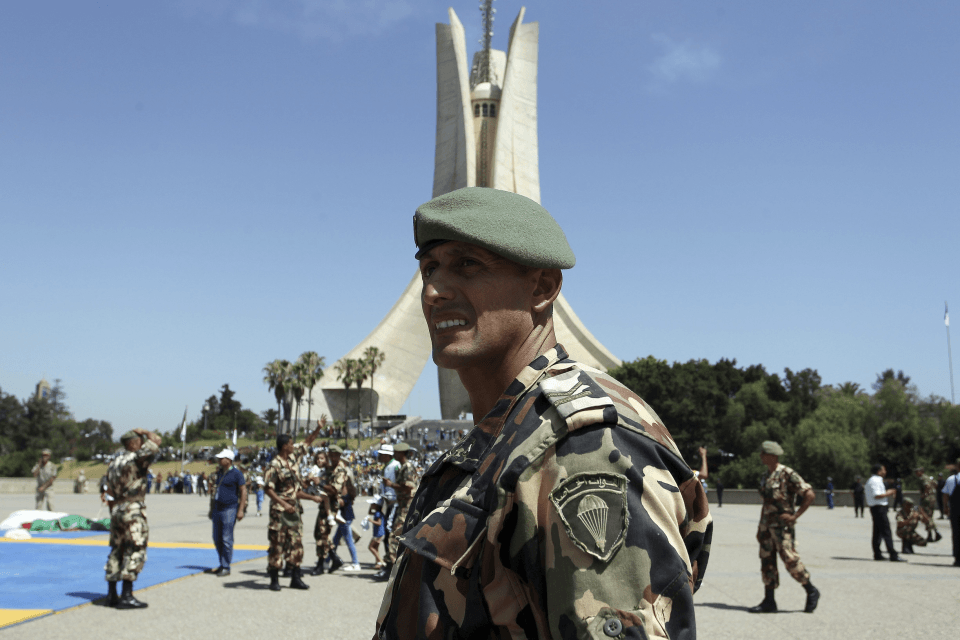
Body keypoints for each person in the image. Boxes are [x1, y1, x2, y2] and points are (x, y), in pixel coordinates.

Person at [374, 187, 712, 639]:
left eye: (468, 264)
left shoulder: (581, 448)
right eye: (429, 268)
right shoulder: (508, 433)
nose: (434, 291)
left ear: (543, 287)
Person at [748, 441, 819, 614]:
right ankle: (769, 601)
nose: (761, 456)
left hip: (782, 527)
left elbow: (809, 494)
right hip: (767, 527)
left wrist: (795, 516)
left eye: (763, 454)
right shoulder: (766, 476)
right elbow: (766, 504)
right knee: (767, 562)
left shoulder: (787, 474)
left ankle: (811, 590)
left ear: (772, 455)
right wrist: (760, 527)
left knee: (790, 559)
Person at [263, 417, 325, 591]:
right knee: (277, 544)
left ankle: (295, 577)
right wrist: (284, 504)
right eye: (291, 443)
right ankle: (274, 579)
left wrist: (318, 429)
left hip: (294, 509)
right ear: (284, 446)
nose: (294, 446)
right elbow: (268, 489)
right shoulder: (274, 465)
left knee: (296, 543)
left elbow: (307, 442)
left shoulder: (293, 459)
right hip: (279, 511)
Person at [104, 428, 161, 609]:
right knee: (135, 548)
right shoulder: (136, 458)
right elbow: (157, 441)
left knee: (116, 550)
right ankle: (127, 595)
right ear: (133, 443)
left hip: (117, 508)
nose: (143, 442)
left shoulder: (114, 462)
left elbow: (108, 490)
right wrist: (145, 431)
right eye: (140, 440)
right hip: (132, 508)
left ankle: (112, 594)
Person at [374, 442, 418, 580]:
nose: (395, 455)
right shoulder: (403, 467)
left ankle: (390, 569)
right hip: (402, 505)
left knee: (394, 536)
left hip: (407, 506)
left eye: (397, 453)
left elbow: (408, 488)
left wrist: (391, 484)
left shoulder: (407, 467)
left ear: (401, 454)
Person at [208, 449, 247, 576]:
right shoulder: (219, 473)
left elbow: (243, 491)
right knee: (216, 537)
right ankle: (221, 563)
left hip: (230, 508)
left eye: (222, 458)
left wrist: (241, 510)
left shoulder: (237, 473)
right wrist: (211, 509)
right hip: (217, 508)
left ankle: (226, 566)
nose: (219, 460)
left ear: (228, 460)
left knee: (226, 538)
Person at [326, 444, 361, 572]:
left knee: (348, 539)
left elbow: (345, 496)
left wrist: (340, 499)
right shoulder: (343, 474)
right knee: (335, 539)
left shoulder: (344, 475)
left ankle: (356, 563)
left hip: (344, 514)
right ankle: (327, 560)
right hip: (344, 513)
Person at [865, 463, 904, 562]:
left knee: (877, 532)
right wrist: (890, 492)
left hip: (876, 508)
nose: (885, 472)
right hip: (879, 508)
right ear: (879, 471)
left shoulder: (873, 480)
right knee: (886, 531)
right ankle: (893, 554)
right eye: (883, 470)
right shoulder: (875, 481)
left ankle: (877, 553)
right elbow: (877, 495)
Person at [377, 443, 398, 573]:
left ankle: (391, 564)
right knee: (386, 532)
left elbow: (399, 484)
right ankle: (388, 562)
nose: (379, 456)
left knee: (390, 533)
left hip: (393, 502)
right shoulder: (386, 466)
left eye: (381, 454)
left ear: (387, 455)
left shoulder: (395, 466)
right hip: (386, 502)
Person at [913, 467, 942, 543]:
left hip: (927, 499)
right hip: (931, 498)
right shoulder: (929, 477)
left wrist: (924, 494)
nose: (916, 473)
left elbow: (927, 486)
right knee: (928, 516)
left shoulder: (923, 478)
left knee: (925, 516)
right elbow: (935, 484)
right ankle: (930, 535)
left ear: (921, 472)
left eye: (917, 471)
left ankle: (936, 532)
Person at [943, 460, 960, 567]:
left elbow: (945, 495)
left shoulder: (951, 479)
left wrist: (945, 508)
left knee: (956, 534)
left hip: (955, 510)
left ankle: (958, 558)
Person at [367, 497, 385, 569]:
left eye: (373, 504)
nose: (371, 505)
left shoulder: (378, 513)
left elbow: (379, 523)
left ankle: (381, 561)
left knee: (371, 547)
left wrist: (371, 521)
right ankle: (378, 563)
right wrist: (371, 506)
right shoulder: (378, 512)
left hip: (378, 533)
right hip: (378, 532)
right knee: (376, 548)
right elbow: (370, 512)